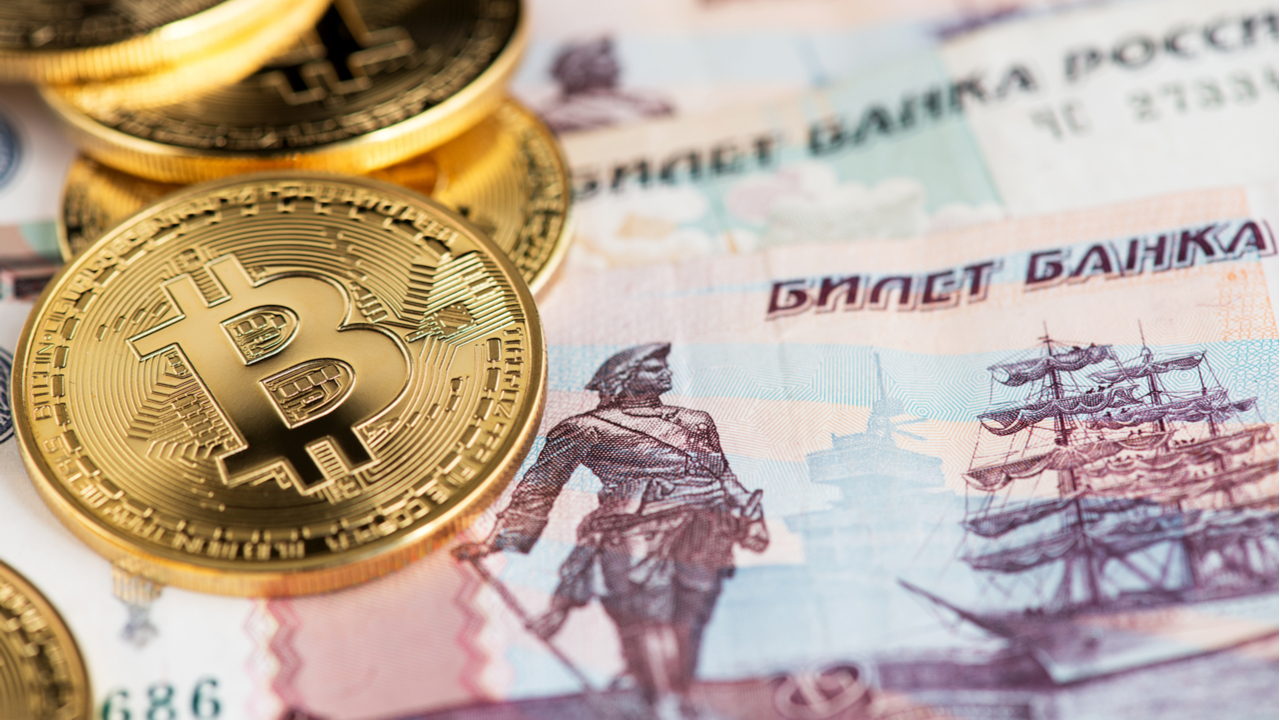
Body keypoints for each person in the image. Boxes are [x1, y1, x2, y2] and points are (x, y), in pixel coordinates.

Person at [456, 343, 768, 720]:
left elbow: (722, 475)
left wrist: (751, 517)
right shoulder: (583, 428)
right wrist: (500, 540)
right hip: (631, 530)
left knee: (691, 617)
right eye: (654, 366)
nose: (666, 372)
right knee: (647, 617)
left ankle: (675, 696)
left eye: (664, 365)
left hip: (706, 527)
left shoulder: (695, 420)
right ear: (624, 378)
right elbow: (540, 487)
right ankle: (664, 703)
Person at [538, 37, 675, 134]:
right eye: (604, 55)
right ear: (579, 65)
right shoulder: (558, 115)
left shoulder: (648, 101)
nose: (614, 60)